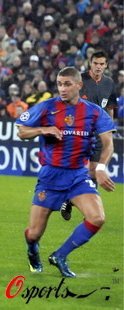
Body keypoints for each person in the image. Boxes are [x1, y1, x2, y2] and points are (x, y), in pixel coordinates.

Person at [15, 66, 115, 277]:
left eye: (67, 84)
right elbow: (22, 131)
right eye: (60, 84)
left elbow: (108, 144)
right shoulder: (46, 107)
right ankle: (33, 250)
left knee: (97, 218)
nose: (62, 88)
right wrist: (43, 129)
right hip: (50, 177)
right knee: (33, 234)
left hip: (78, 175)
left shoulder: (94, 111)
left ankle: (60, 255)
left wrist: (101, 168)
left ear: (79, 85)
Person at [60, 50, 118, 221]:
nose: (98, 66)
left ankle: (87, 208)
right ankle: (69, 199)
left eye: (102, 64)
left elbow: (110, 109)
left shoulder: (109, 84)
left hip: (98, 134)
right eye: (95, 63)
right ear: (90, 64)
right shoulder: (80, 81)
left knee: (94, 171)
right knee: (77, 169)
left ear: (106, 65)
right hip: (79, 133)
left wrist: (109, 129)